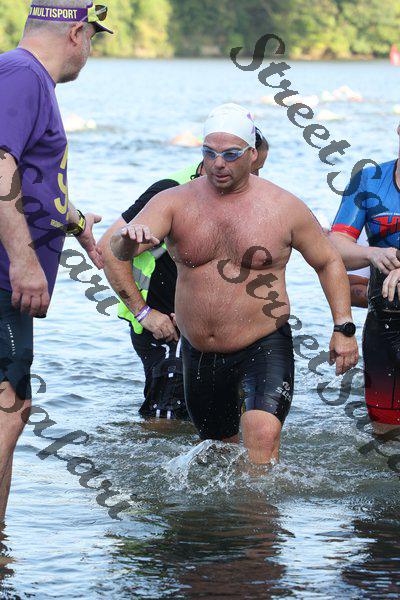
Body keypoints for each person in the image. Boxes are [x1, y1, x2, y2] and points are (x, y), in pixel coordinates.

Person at [106, 103, 358, 464]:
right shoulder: (174, 202)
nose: (218, 163)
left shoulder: (283, 206)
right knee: (218, 453)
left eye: (230, 154)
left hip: (263, 343)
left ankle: (259, 500)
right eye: (209, 153)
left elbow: (328, 260)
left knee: (261, 438)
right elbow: (118, 251)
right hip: (198, 351)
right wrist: (128, 242)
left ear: (252, 154)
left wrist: (343, 327)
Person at [0, 1, 113, 520]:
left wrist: (75, 220)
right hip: (5, 276)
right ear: (75, 33)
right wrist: (24, 261)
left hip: (10, 277)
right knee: (9, 410)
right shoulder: (22, 75)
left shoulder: (26, 78)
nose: (91, 50)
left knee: (13, 408)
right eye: (93, 37)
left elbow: (32, 181)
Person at [100, 129, 269, 420]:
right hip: (163, 323)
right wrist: (144, 314)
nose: (256, 179)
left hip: (210, 327)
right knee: (166, 417)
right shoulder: (171, 191)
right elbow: (108, 249)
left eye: (260, 170)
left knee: (213, 416)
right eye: (254, 170)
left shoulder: (240, 199)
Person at [330, 127, 400, 426]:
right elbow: (335, 248)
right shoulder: (368, 180)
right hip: (385, 321)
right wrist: (372, 253)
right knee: (385, 432)